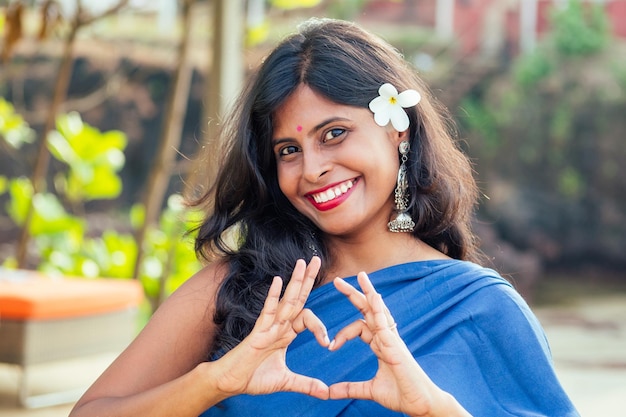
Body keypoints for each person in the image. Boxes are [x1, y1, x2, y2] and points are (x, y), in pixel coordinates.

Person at [69, 18, 579, 417]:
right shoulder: (240, 289)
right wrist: (216, 381)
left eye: (334, 133)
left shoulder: (481, 311)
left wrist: (436, 409)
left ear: (397, 130)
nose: (311, 169)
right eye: (288, 150)